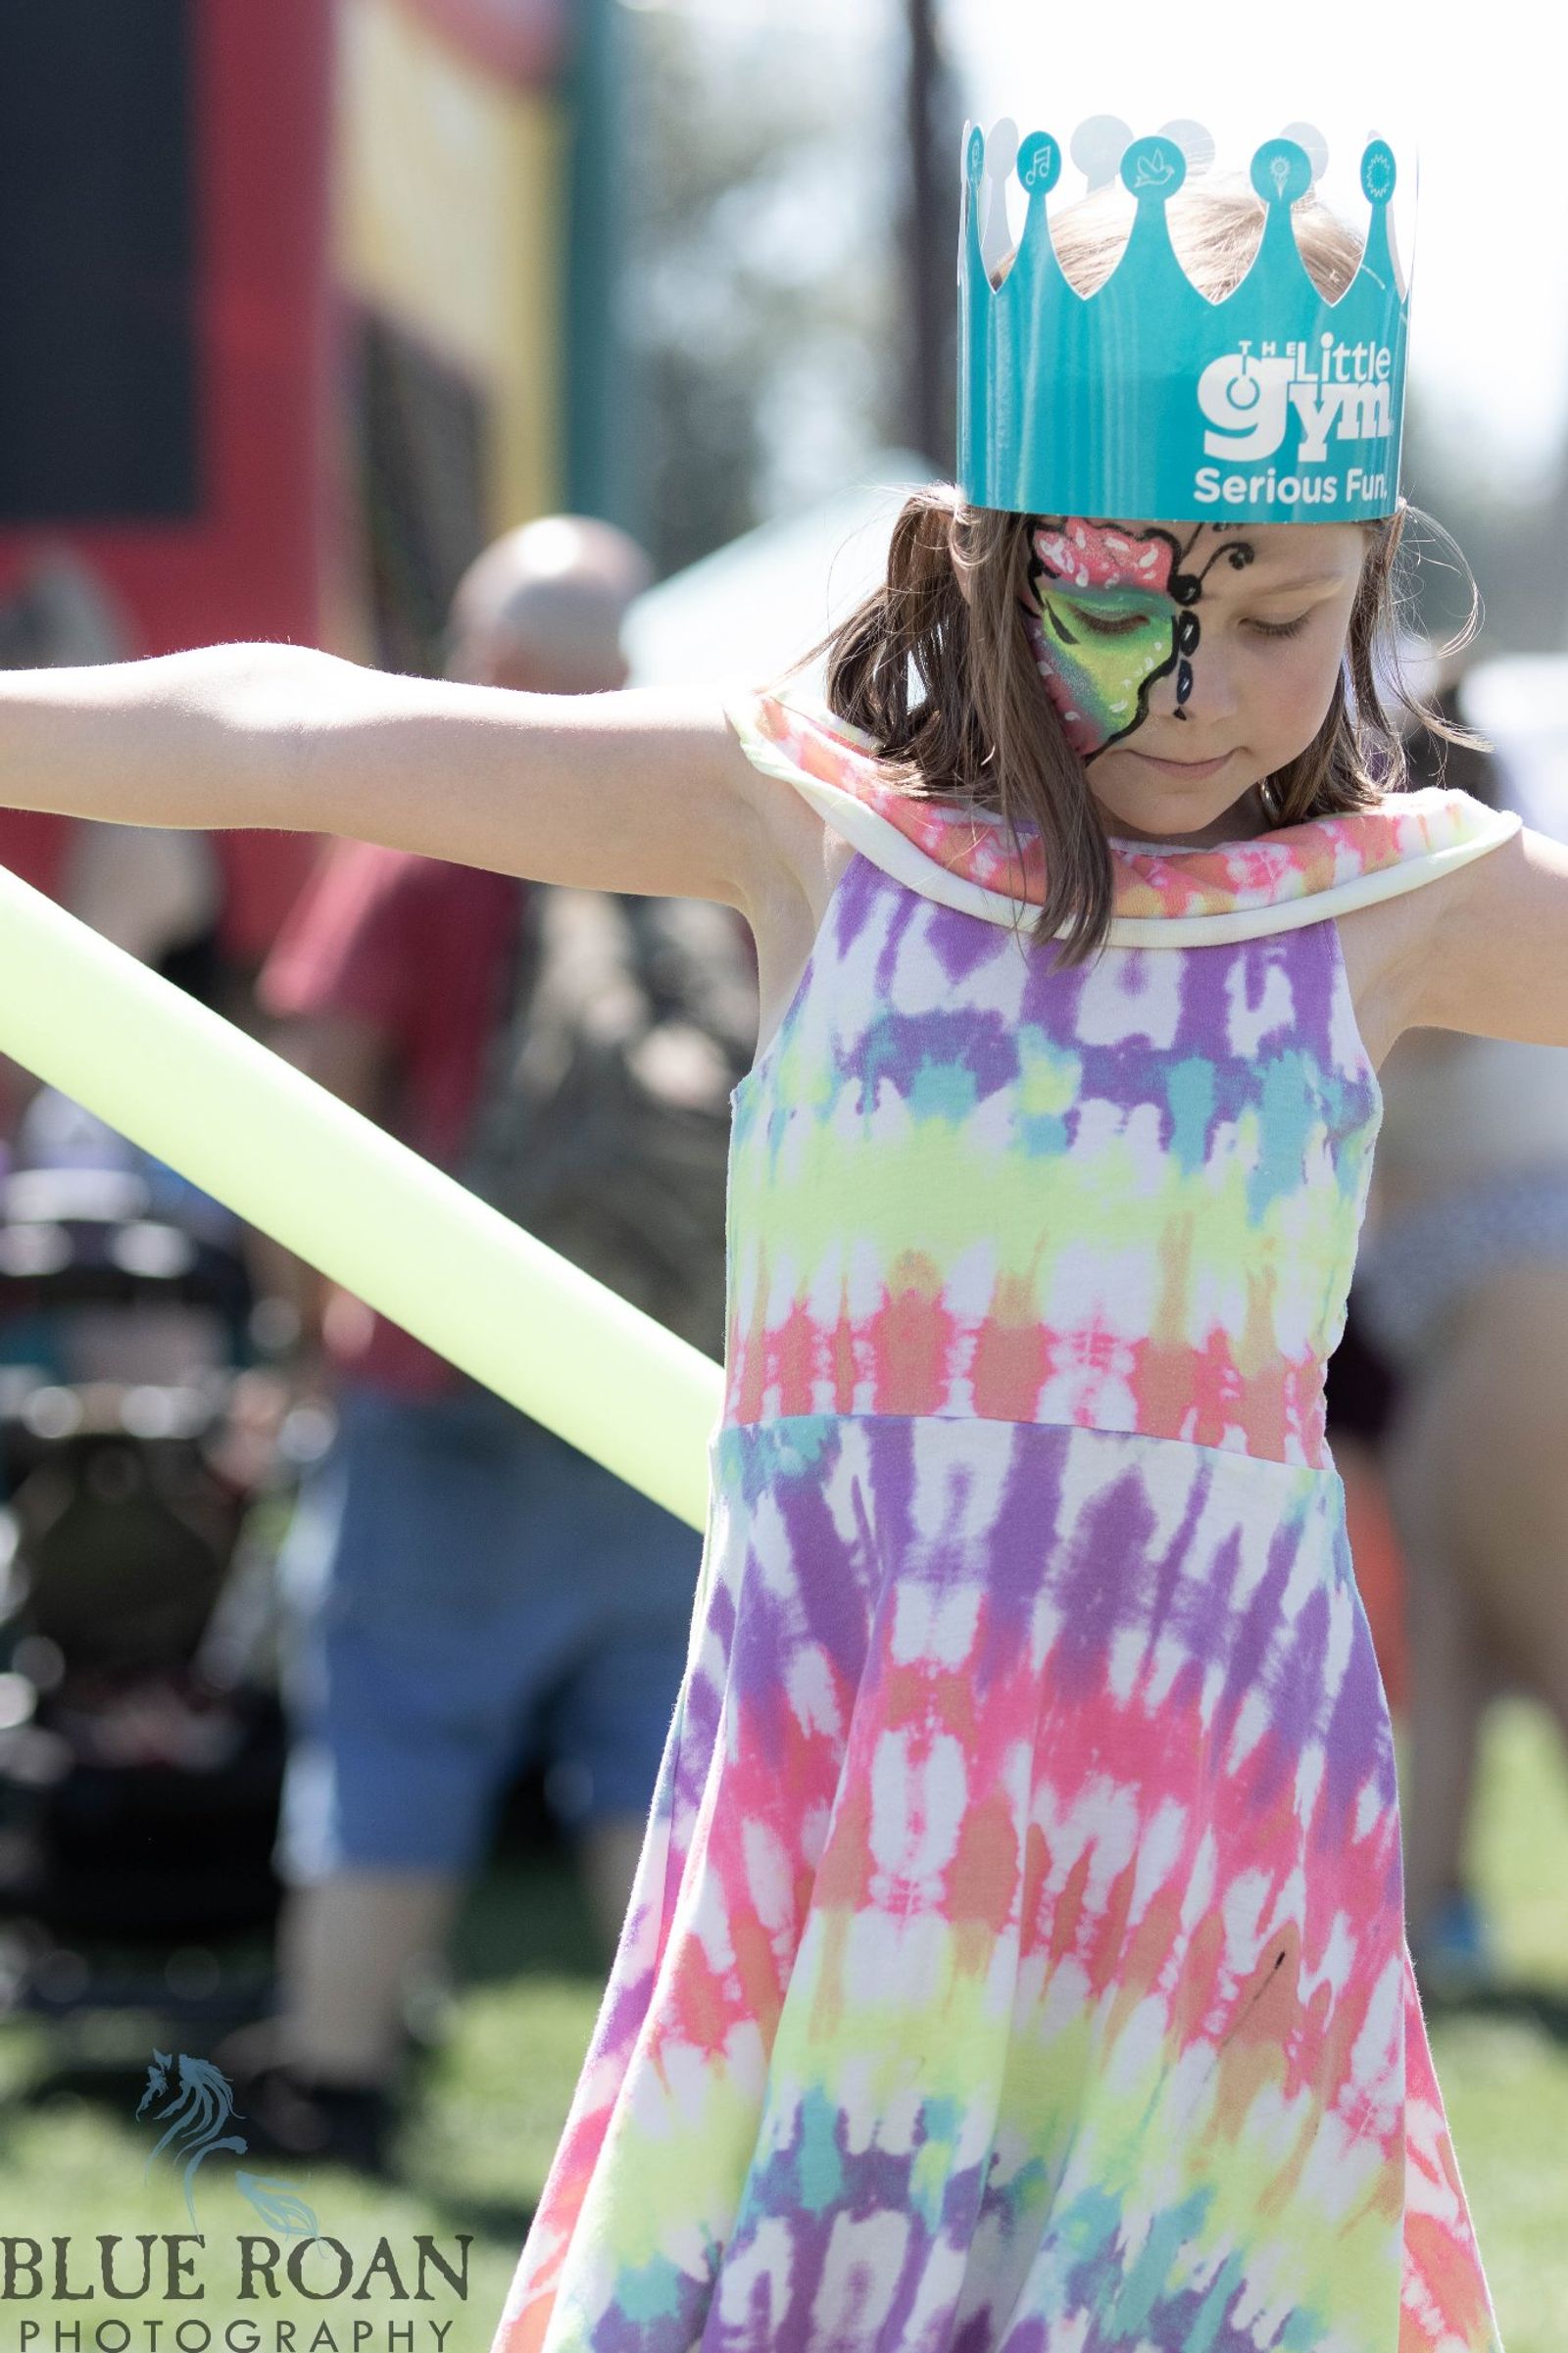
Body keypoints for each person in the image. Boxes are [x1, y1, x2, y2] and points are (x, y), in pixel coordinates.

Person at [0, 124, 1539, 2349]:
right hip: (849, 1795)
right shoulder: (810, 830)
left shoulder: (1385, 903)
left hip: (1210, 1821)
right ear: (999, 568)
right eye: (1118, 610)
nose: (1194, 690)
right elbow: (314, 729)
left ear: (1362, 585)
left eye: (1287, 621)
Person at [216, 516, 756, 2171]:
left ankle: (337, 2071)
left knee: (395, 1720)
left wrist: (301, 1337)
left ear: (483, 656)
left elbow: (303, 1096)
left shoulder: (416, 822)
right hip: (657, 1380)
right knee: (654, 1753)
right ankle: (683, 2111)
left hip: (446, 1380)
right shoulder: (696, 838)